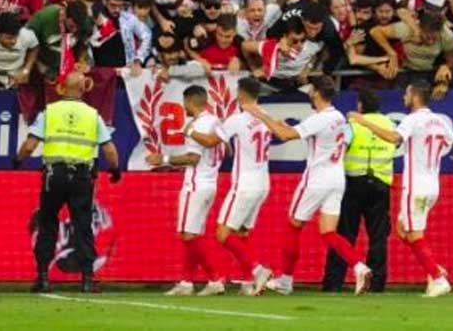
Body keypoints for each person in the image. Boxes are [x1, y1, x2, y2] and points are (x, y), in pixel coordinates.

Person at [242, 75, 373, 295]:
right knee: (329, 232)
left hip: (316, 179)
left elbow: (284, 135)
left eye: (311, 91)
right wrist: (282, 124)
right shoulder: (339, 117)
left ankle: (285, 280)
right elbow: (312, 135)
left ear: (318, 94)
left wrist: (260, 114)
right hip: (336, 178)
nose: (309, 95)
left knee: (293, 225)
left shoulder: (319, 118)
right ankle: (359, 266)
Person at [349, 80, 453, 297]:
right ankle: (434, 268)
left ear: (415, 96)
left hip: (416, 186)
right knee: (403, 229)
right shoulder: (439, 121)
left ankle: (438, 278)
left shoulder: (413, 120)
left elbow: (393, 138)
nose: (404, 97)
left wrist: (363, 121)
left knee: (413, 233)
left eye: (406, 93)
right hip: (433, 186)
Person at [13, 71, 121, 293]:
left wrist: (17, 161)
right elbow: (109, 149)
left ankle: (43, 277)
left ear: (63, 88)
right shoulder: (93, 115)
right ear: (84, 90)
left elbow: (29, 146)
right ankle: (88, 280)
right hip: (82, 177)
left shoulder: (49, 112)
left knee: (48, 224)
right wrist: (115, 170)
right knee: (83, 226)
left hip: (54, 175)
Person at [146, 85, 226, 296]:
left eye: (185, 103)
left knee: (187, 234)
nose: (184, 107)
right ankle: (186, 281)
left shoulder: (196, 125)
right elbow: (226, 149)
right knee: (193, 233)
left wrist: (163, 159)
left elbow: (193, 158)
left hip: (196, 184)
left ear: (191, 102)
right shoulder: (216, 121)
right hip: (210, 183)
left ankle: (215, 278)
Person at [206, 77, 274, 295]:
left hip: (244, 184)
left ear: (241, 94)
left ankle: (257, 270)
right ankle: (248, 282)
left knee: (223, 234)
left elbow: (211, 141)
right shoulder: (266, 117)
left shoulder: (238, 119)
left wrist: (187, 131)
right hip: (263, 183)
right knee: (243, 233)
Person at [322, 89, 394, 293]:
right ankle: (377, 283)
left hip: (354, 183)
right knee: (378, 237)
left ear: (361, 105)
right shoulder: (390, 125)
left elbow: (337, 148)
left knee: (344, 234)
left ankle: (333, 282)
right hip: (381, 184)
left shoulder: (352, 125)